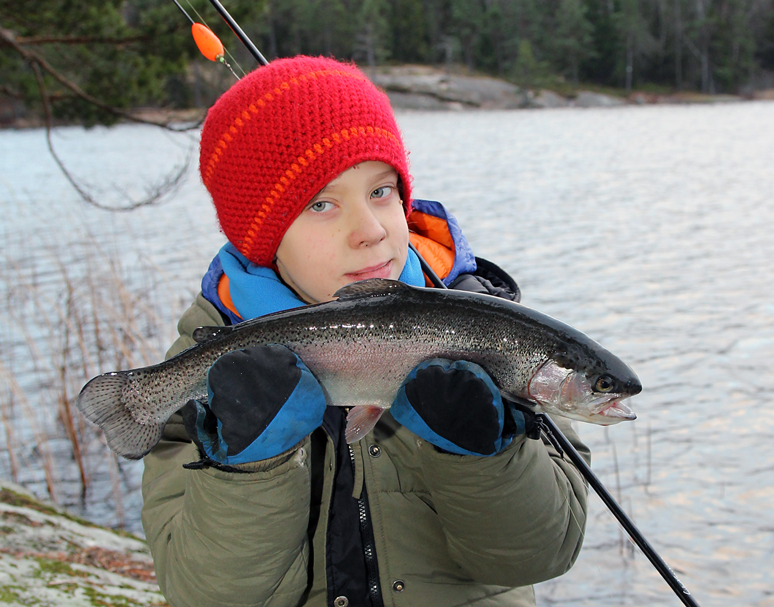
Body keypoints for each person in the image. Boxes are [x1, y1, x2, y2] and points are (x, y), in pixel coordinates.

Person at [141, 55, 590, 607]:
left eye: (381, 192)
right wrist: (250, 466)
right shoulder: (207, 367)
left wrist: (483, 458)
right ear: (262, 237)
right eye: (322, 204)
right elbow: (204, 596)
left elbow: (541, 555)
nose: (371, 231)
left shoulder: (497, 337)